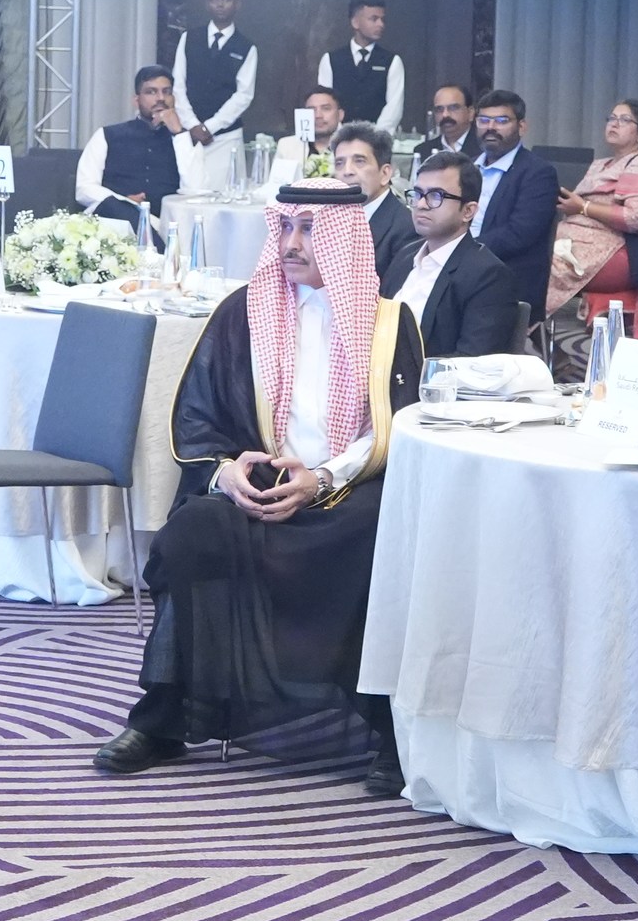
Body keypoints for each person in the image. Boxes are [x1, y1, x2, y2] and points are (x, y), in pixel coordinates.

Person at [92, 181, 422, 792]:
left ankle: (386, 733)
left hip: (349, 491)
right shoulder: (241, 312)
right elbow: (196, 414)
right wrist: (225, 472)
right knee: (192, 532)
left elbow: (400, 426)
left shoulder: (389, 325)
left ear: (346, 239)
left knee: (378, 539)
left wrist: (323, 477)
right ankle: (161, 719)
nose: (291, 243)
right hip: (259, 484)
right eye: (285, 227)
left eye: (309, 230)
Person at [547, 99, 638, 344]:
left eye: (624, 120)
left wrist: (582, 207)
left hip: (613, 251)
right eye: (612, 118)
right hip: (577, 243)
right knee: (525, 254)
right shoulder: (600, 165)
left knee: (538, 266)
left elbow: (636, 218)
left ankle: (526, 335)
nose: (614, 124)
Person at [384, 154, 516, 357]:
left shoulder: (489, 276)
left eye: (436, 196)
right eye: (418, 194)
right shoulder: (405, 256)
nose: (421, 205)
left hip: (430, 376)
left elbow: (473, 359)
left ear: (468, 211)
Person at [469, 90, 560, 321]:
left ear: (522, 127)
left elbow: (519, 234)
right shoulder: (465, 168)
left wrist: (463, 250)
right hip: (460, 268)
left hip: (505, 276)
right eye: (484, 120)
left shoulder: (538, 173)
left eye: (501, 121)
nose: (491, 127)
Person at [76, 65, 186, 239]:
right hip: (113, 225)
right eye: (151, 92)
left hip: (166, 226)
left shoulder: (185, 140)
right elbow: (84, 189)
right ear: (136, 100)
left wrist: (179, 133)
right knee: (115, 209)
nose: (160, 98)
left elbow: (196, 191)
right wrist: (125, 203)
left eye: (166, 92)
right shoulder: (107, 135)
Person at [171, 0, 255, 191]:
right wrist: (192, 124)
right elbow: (178, 85)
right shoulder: (189, 38)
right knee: (188, 193)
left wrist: (210, 127)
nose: (220, 4)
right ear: (207, 3)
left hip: (226, 136)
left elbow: (244, 95)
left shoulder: (246, 47)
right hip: (189, 132)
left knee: (225, 196)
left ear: (237, 4)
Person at [331, 122, 414, 279]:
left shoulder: (406, 228)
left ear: (385, 174)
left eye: (359, 161)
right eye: (339, 163)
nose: (347, 171)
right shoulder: (329, 220)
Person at [315, 0, 404, 134]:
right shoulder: (331, 59)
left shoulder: (392, 61)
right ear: (355, 22)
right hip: (338, 137)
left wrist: (376, 137)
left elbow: (394, 106)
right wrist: (340, 135)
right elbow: (325, 102)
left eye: (382, 19)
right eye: (374, 19)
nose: (380, 24)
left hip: (376, 138)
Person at [271, 87, 345, 187]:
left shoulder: (353, 145)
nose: (318, 115)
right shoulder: (286, 146)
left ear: (340, 115)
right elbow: (276, 188)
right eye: (311, 110)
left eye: (326, 108)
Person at [418, 85, 479, 163]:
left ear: (470, 113)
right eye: (439, 109)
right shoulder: (423, 151)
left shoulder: (484, 149)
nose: (445, 115)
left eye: (453, 108)